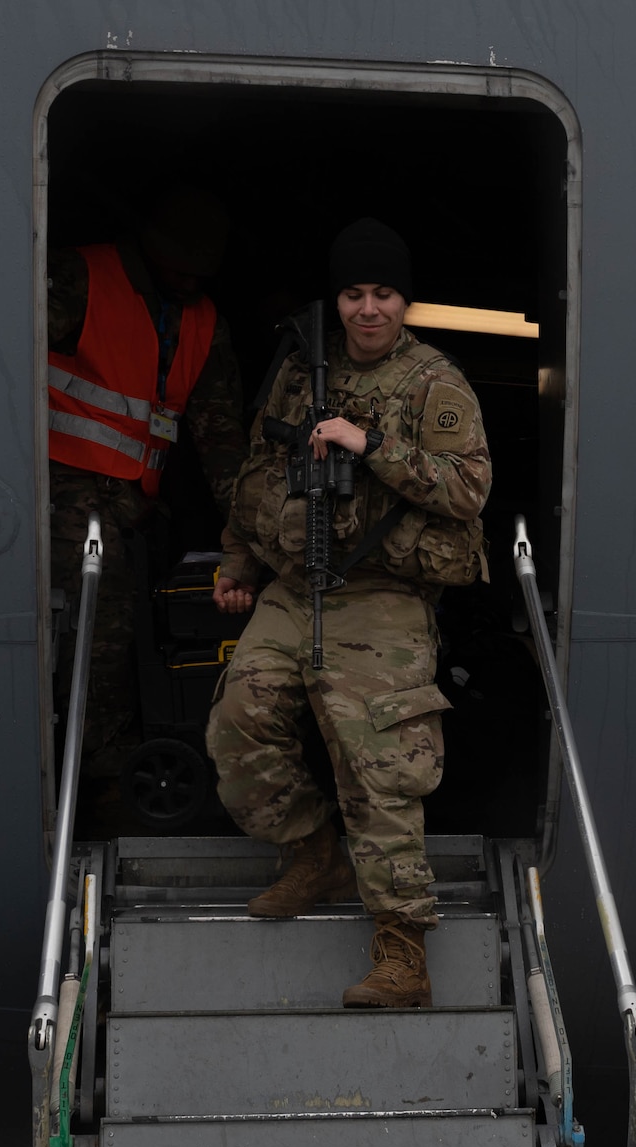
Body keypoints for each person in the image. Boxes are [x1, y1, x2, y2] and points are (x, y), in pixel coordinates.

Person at [205, 218, 492, 1008]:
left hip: (382, 592)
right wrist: (241, 559)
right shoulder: (302, 371)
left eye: (385, 293)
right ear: (338, 300)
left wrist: (370, 444)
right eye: (355, 293)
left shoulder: (435, 380)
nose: (369, 308)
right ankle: (311, 849)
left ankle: (403, 952)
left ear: (406, 301)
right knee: (239, 722)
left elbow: (469, 489)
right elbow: (263, 471)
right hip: (295, 586)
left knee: (379, 756)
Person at [45, 186, 248, 804]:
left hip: (131, 509)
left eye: (200, 273)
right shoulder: (78, 276)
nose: (188, 282)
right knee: (86, 631)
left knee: (129, 633)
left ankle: (105, 765)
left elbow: (222, 441)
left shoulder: (205, 323)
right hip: (55, 494)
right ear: (149, 252)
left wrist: (250, 529)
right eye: (178, 269)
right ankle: (86, 774)